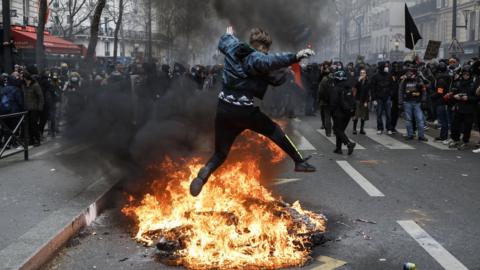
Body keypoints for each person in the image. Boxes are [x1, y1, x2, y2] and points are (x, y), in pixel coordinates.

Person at [189, 26, 316, 197]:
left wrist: (229, 35)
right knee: (274, 130)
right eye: (266, 49)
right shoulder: (257, 59)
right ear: (262, 47)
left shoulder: (233, 48)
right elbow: (270, 63)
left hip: (223, 109)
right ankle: (299, 162)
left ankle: (203, 174)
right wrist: (294, 57)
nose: (266, 52)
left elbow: (225, 41)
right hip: (244, 112)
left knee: (220, 153)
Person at [446, 65, 477, 149]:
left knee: (467, 127)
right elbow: (454, 92)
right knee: (455, 125)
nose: (465, 76)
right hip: (459, 107)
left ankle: (465, 141)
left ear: (470, 74)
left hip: (469, 109)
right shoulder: (459, 83)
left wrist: (468, 98)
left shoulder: (474, 84)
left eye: (467, 74)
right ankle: (455, 140)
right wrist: (454, 96)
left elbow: (477, 98)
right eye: (464, 74)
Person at [331, 70, 356, 155]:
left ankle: (349, 144)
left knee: (337, 130)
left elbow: (333, 102)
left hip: (338, 113)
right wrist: (352, 113)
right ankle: (338, 149)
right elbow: (353, 101)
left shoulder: (336, 89)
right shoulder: (349, 88)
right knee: (341, 130)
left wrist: (332, 113)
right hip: (348, 113)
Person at [399, 66, 428, 141]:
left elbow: (424, 90)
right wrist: (400, 103)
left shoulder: (419, 80)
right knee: (408, 120)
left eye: (411, 72)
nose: (410, 74)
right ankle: (410, 135)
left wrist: (423, 101)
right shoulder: (404, 81)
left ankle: (421, 136)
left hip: (417, 103)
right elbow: (401, 91)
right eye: (408, 72)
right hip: (407, 102)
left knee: (420, 120)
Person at [371, 62, 395, 134]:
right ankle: (380, 128)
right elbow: (373, 88)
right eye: (385, 67)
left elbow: (392, 86)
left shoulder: (389, 75)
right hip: (379, 98)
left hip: (387, 97)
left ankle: (388, 128)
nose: (386, 68)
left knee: (388, 114)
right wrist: (374, 99)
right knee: (379, 114)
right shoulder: (375, 76)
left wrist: (391, 95)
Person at [22, 72, 44, 146]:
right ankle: (31, 140)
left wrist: (40, 107)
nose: (23, 79)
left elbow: (40, 97)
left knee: (34, 124)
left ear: (26, 78)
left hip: (34, 108)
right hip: (26, 108)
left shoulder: (35, 85)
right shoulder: (24, 85)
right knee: (28, 125)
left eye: (23, 78)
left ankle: (37, 140)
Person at [352, 68, 370, 135]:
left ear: (365, 74)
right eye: (361, 73)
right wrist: (359, 80)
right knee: (356, 115)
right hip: (357, 99)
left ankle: (362, 129)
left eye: (364, 73)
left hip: (364, 100)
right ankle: (354, 129)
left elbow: (367, 93)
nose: (362, 74)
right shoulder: (357, 80)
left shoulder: (367, 82)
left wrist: (366, 101)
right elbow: (355, 87)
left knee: (363, 116)